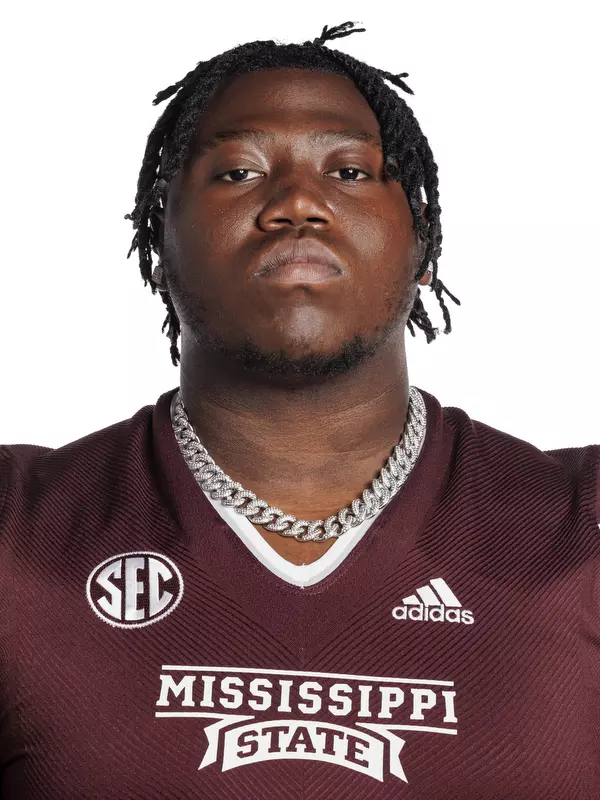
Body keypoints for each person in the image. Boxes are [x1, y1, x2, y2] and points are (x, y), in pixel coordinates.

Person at [0, 20, 598, 800]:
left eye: (349, 171)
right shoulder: (16, 528)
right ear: (158, 238)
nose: (296, 203)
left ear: (423, 242)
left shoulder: (580, 525)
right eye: (238, 172)